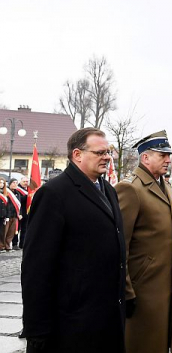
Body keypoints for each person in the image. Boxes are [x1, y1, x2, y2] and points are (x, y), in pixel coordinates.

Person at [20, 128, 126, 353]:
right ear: (77, 155)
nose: (107, 157)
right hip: (71, 326)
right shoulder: (54, 194)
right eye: (100, 152)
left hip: (107, 321)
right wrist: (36, 329)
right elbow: (36, 268)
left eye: (108, 152)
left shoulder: (108, 190)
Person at [116, 130, 172, 353]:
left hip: (164, 288)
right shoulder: (130, 188)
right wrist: (126, 292)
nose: (168, 160)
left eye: (168, 155)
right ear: (145, 158)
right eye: (162, 155)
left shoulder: (165, 186)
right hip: (142, 292)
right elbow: (118, 246)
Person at [4, 178, 21, 252]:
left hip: (15, 215)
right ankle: (2, 246)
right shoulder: (6, 192)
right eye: (13, 182)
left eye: (16, 183)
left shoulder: (17, 193)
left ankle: (8, 246)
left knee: (11, 232)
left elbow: (20, 205)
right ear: (10, 184)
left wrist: (20, 214)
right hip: (7, 215)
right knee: (4, 232)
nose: (15, 184)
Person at [14, 177, 29, 249]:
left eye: (27, 181)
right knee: (16, 229)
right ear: (20, 181)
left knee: (24, 229)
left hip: (26, 212)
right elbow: (19, 200)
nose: (25, 183)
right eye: (24, 181)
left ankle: (22, 244)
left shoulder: (29, 189)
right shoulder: (17, 189)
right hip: (19, 212)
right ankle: (14, 244)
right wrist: (28, 197)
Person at [0, 180, 8, 251]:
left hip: (2, 216)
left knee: (1, 232)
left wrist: (6, 215)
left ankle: (1, 245)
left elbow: (7, 206)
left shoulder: (4, 193)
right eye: (0, 183)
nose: (2, 184)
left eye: (3, 183)